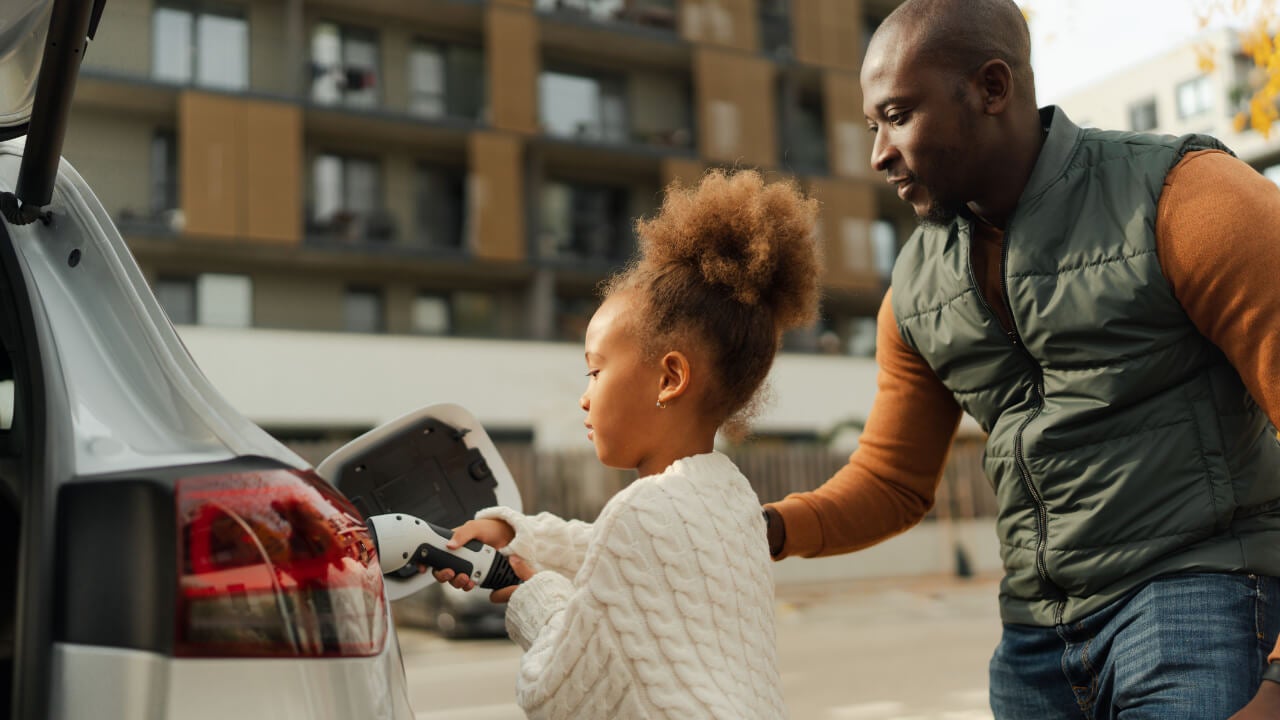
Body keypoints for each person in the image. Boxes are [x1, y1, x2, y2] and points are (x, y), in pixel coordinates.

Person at [760, 1, 1280, 718]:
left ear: (992, 88)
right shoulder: (914, 291)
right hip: (1034, 645)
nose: (877, 152)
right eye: (872, 125)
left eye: (899, 115)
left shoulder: (1188, 200)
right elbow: (891, 482)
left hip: (1195, 596)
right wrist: (766, 530)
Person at [434, 169, 821, 719]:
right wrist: (518, 535)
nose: (584, 399)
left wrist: (533, 597)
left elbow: (558, 690)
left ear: (669, 379)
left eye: (595, 372)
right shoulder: (728, 500)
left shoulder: (642, 511)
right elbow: (618, 553)